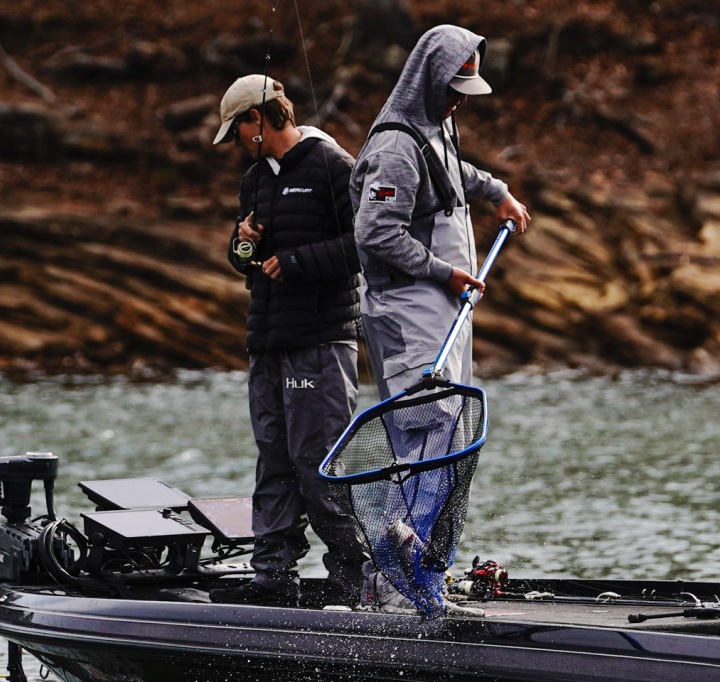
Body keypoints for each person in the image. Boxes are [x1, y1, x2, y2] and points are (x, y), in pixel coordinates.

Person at [349, 25, 531, 610]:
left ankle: (411, 571)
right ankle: (397, 565)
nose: (459, 101)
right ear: (429, 81)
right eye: (454, 90)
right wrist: (443, 273)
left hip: (443, 310)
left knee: (445, 431)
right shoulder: (394, 148)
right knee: (432, 423)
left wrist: (496, 191)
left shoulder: (437, 126)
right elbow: (376, 232)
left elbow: (454, 175)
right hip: (408, 311)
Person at [208, 74, 368, 608]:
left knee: (316, 460)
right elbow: (242, 262)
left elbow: (366, 244)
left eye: (237, 130)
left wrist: (297, 262)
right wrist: (243, 243)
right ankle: (272, 577)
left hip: (322, 342)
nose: (236, 142)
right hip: (267, 342)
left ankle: (360, 578)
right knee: (273, 459)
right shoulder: (254, 179)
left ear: (258, 118)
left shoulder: (334, 166)